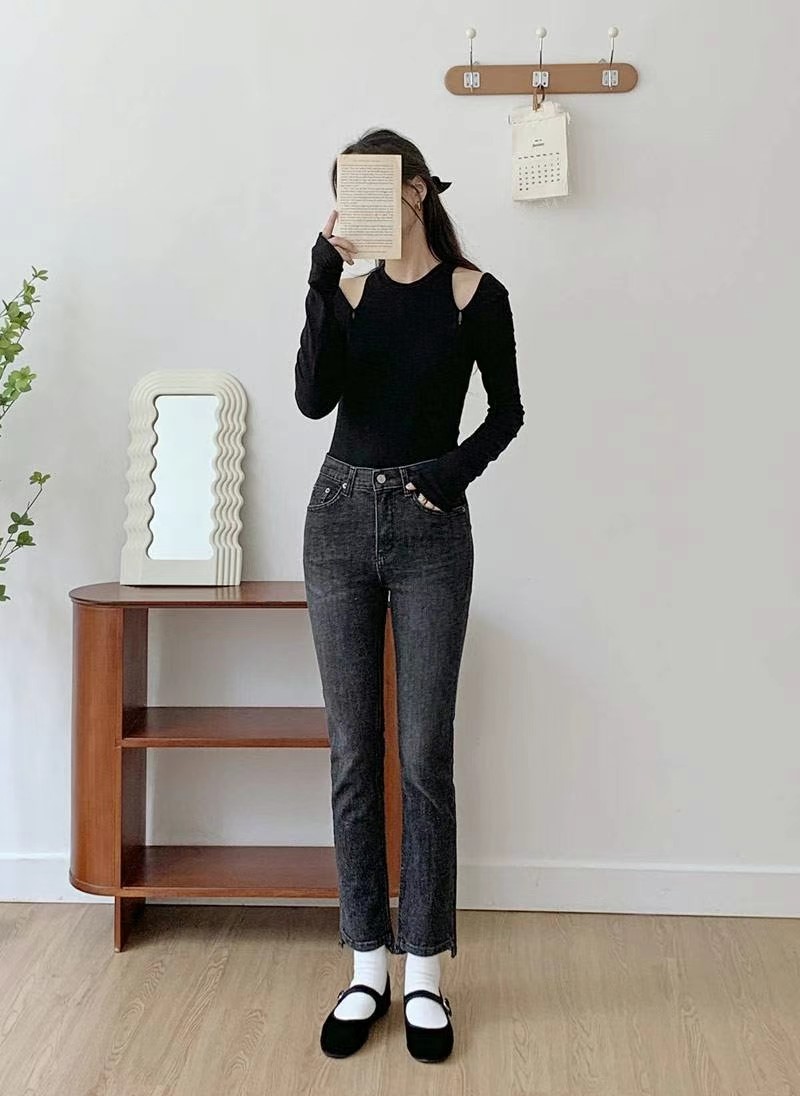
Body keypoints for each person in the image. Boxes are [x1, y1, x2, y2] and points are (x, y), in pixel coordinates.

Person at [295, 127, 525, 1062]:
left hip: (431, 531)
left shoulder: (476, 295)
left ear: (417, 189)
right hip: (338, 519)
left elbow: (506, 412)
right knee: (354, 752)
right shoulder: (347, 294)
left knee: (424, 753)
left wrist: (448, 474)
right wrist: (319, 281)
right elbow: (314, 400)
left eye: (372, 186)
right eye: (343, 190)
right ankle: (367, 966)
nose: (357, 205)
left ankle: (423, 969)